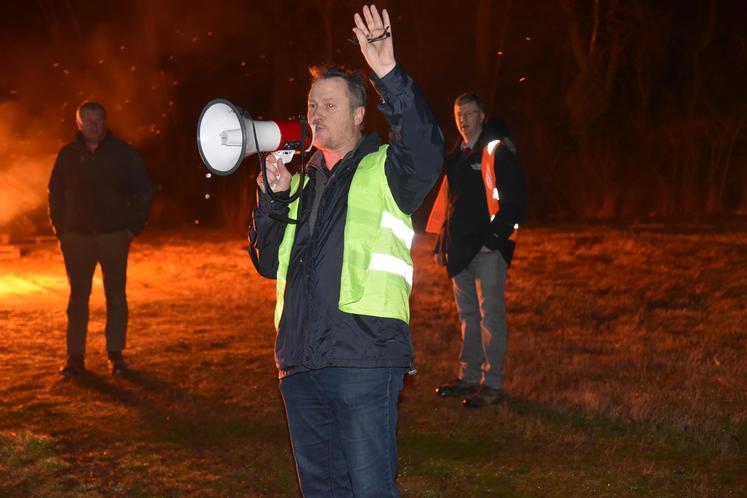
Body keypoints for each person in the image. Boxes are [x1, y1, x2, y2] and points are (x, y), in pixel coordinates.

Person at [248, 5, 443, 496]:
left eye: (330, 105)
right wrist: (272, 197)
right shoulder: (297, 182)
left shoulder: (385, 169)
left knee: (370, 489)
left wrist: (388, 74)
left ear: (359, 114)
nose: (315, 114)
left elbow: (424, 148)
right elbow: (266, 261)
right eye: (312, 105)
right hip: (299, 363)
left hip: (364, 356)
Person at [430, 93, 527, 408]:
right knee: (468, 316)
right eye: (459, 113)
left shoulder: (496, 151)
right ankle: (468, 377)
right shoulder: (456, 155)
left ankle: (492, 384)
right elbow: (449, 203)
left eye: (470, 113)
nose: (463, 119)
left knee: (490, 317)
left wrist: (493, 240)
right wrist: (441, 242)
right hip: (459, 251)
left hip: (486, 251)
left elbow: (516, 202)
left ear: (482, 116)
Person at [48, 101, 152, 377]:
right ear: (79, 124)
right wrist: (61, 229)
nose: (94, 125)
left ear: (105, 122)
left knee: (115, 296)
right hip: (76, 238)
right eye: (88, 120)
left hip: (114, 235)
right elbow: (55, 193)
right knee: (78, 297)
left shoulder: (122, 154)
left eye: (98, 120)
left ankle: (115, 354)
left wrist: (131, 228)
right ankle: (75, 357)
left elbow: (143, 190)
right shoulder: (68, 155)